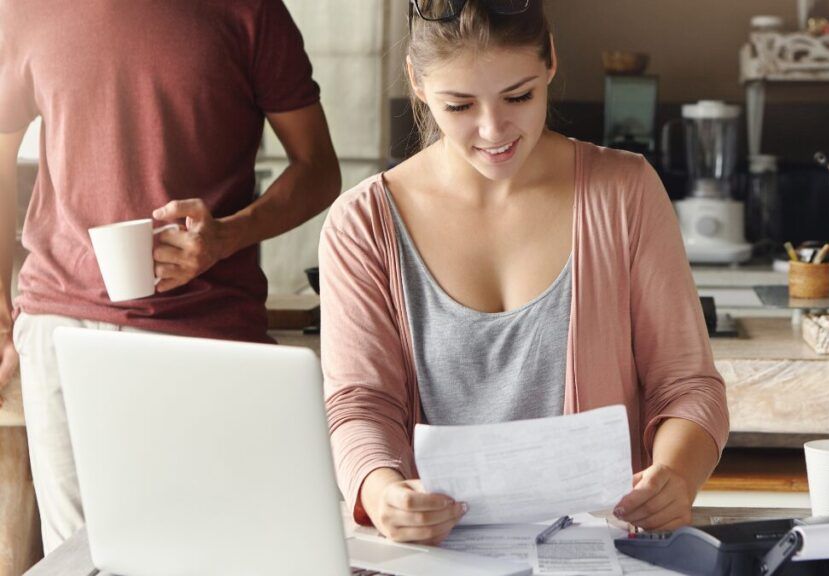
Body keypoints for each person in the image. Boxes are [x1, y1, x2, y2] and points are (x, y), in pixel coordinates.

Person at [319, 0, 728, 546]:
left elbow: (687, 387)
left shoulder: (625, 192)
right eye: (459, 105)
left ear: (550, 60)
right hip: (436, 557)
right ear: (417, 81)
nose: (493, 130)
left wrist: (675, 476)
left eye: (519, 96)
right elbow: (360, 404)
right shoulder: (363, 222)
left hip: (599, 554)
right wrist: (380, 492)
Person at [0, 0, 341, 553]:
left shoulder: (251, 11)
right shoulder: (25, 9)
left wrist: (226, 235)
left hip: (206, 331)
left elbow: (319, 167)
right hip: (59, 324)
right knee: (80, 560)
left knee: (202, 555)